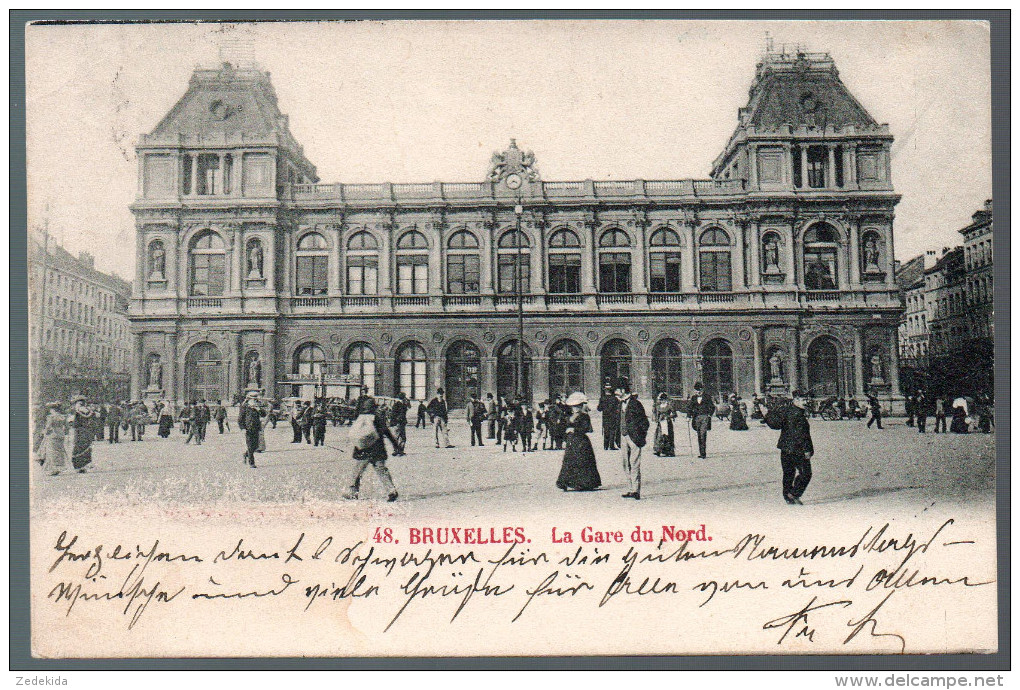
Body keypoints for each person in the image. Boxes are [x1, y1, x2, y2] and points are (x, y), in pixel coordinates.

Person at [343, 397, 401, 502]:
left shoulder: (360, 418)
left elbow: (355, 434)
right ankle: (391, 491)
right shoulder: (377, 418)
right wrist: (396, 445)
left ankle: (353, 492)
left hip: (363, 450)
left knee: (357, 472)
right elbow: (387, 433)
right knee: (382, 471)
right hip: (377, 450)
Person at [764, 391, 814, 505]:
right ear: (795, 400)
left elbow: (777, 424)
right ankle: (794, 494)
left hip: (785, 448)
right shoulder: (797, 415)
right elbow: (801, 435)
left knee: (788, 473)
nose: (805, 402)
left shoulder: (787, 411)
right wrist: (807, 450)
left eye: (806, 399)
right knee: (806, 473)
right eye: (803, 400)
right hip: (797, 450)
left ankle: (788, 496)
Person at [556, 393, 601, 491]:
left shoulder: (585, 416)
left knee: (582, 460)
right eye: (574, 407)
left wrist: (574, 430)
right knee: (569, 461)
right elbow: (563, 428)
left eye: (578, 406)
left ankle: (583, 483)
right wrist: (564, 438)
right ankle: (566, 482)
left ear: (581, 407)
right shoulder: (569, 416)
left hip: (581, 442)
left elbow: (586, 428)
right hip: (571, 441)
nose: (576, 409)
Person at [619, 382, 649, 500]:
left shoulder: (636, 404)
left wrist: (640, 437)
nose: (615, 393)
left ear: (622, 390)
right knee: (626, 463)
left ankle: (636, 490)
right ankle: (630, 489)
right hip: (623, 436)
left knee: (634, 463)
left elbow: (644, 422)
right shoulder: (620, 404)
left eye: (617, 390)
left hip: (634, 437)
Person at [40, 402, 69, 476]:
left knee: (51, 452)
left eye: (51, 409)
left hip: (53, 434)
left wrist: (44, 432)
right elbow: (67, 427)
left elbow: (48, 426)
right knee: (59, 451)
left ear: (53, 410)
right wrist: (65, 434)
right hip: (61, 434)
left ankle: (53, 469)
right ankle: (59, 467)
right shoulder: (63, 417)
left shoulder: (51, 417)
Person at [687, 383, 715, 459]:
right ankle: (701, 452)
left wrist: (709, 415)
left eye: (699, 390)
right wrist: (688, 416)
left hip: (704, 417)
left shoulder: (707, 397)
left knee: (703, 434)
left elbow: (712, 407)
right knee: (699, 434)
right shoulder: (693, 398)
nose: (697, 392)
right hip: (696, 418)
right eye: (696, 391)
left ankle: (703, 453)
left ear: (702, 389)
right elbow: (690, 407)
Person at [238, 391, 265, 468]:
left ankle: (246, 454)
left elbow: (264, 414)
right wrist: (242, 428)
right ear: (249, 399)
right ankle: (251, 463)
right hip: (248, 428)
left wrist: (258, 409)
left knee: (256, 446)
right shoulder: (244, 406)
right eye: (253, 399)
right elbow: (240, 418)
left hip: (256, 428)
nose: (254, 400)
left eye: (255, 399)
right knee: (250, 445)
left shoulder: (258, 406)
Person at [69, 395, 95, 473]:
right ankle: (83, 465)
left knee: (79, 446)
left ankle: (79, 466)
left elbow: (74, 422)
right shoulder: (88, 410)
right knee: (84, 446)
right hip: (86, 430)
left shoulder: (77, 411)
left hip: (80, 431)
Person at [597, 383, 621, 450]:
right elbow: (618, 408)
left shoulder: (602, 398)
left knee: (606, 430)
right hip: (613, 416)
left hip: (605, 416)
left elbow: (599, 409)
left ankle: (605, 446)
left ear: (605, 391)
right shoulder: (615, 399)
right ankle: (611, 445)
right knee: (612, 430)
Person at [653, 393, 675, 457]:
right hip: (661, 423)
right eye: (661, 400)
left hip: (667, 423)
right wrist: (657, 419)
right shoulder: (658, 407)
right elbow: (657, 415)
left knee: (668, 436)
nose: (663, 401)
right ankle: (658, 450)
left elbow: (674, 414)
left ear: (666, 400)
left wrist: (668, 416)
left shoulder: (669, 406)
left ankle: (669, 451)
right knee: (659, 436)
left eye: (664, 400)